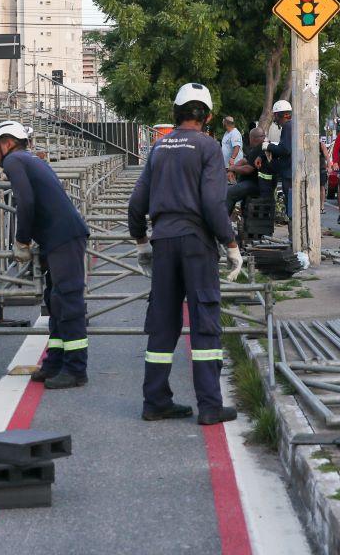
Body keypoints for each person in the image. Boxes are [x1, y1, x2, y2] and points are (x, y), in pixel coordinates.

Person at [128, 83, 244, 426]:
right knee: (204, 321)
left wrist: (141, 243)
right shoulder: (207, 147)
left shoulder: (159, 147)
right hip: (196, 243)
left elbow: (137, 204)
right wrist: (231, 244)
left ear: (177, 112)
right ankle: (210, 405)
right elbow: (212, 203)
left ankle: (155, 401)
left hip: (163, 242)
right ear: (207, 116)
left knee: (162, 323)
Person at [0, 120, 91, 390]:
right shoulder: (29, 159)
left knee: (68, 302)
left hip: (62, 237)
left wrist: (21, 239)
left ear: (8, 143)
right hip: (57, 238)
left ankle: (75, 368)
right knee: (55, 301)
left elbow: (26, 201)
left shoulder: (14, 161)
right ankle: (55, 362)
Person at [225, 128, 265, 215]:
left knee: (229, 193)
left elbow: (248, 169)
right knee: (227, 188)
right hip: (251, 182)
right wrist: (232, 168)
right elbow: (245, 160)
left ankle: (221, 223)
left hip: (257, 184)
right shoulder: (255, 149)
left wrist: (233, 169)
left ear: (252, 138)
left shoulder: (261, 148)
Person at [270, 99, 295, 225]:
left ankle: (293, 235)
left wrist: (269, 147)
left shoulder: (288, 126)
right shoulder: (293, 125)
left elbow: (285, 149)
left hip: (289, 173)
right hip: (291, 171)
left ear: (279, 115)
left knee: (291, 206)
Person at [220, 116, 243, 181]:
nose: (222, 123)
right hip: (227, 165)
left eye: (223, 122)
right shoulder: (227, 132)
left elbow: (237, 146)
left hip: (233, 165)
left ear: (226, 123)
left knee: (232, 182)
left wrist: (232, 158)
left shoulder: (234, 133)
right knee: (228, 183)